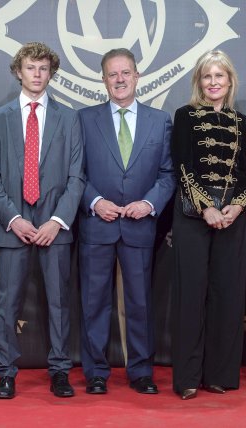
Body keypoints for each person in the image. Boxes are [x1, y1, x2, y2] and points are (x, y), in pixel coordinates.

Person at [0, 42, 85, 399]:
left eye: (44, 68)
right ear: (18, 71)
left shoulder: (69, 119)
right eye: (31, 67)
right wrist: (14, 219)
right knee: (8, 303)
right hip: (14, 226)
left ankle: (59, 371)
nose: (37, 74)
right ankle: (6, 373)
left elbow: (77, 178)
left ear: (51, 74)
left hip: (54, 227)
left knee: (58, 303)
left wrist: (57, 221)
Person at [78, 48, 175, 395]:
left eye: (125, 73)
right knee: (94, 302)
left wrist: (149, 203)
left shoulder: (160, 120)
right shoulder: (84, 119)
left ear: (137, 76)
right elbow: (76, 172)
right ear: (103, 79)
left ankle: (141, 371)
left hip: (139, 226)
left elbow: (168, 174)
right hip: (96, 224)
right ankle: (95, 373)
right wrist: (95, 201)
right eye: (112, 74)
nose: (119, 79)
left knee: (140, 302)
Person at [170, 50, 246, 400]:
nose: (214, 82)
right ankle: (188, 378)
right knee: (191, 296)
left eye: (220, 75)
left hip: (232, 219)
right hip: (193, 216)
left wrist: (236, 207)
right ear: (199, 81)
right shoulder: (185, 115)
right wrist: (207, 208)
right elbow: (183, 165)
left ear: (230, 81)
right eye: (207, 76)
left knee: (227, 296)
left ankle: (220, 374)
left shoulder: (241, 120)